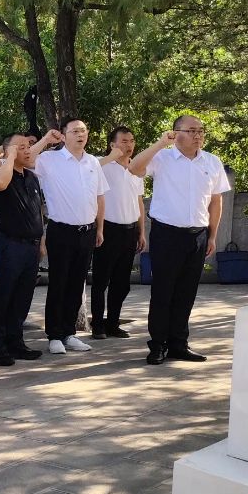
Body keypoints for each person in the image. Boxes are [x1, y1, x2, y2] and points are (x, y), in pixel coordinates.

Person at [128, 116, 231, 364]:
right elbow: (134, 168)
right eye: (192, 130)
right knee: (163, 291)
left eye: (201, 130)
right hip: (167, 234)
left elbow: (216, 201)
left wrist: (212, 235)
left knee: (187, 292)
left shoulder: (212, 161)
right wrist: (160, 143)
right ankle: (158, 344)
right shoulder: (162, 157)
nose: (198, 135)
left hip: (198, 235)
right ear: (176, 133)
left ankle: (178, 343)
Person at [31, 119, 108, 354]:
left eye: (83, 130)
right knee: (59, 283)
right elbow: (25, 159)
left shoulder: (93, 162)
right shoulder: (49, 159)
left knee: (76, 284)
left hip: (87, 231)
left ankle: (68, 332)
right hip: (61, 231)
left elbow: (100, 196)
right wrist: (45, 140)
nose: (80, 134)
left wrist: (100, 228)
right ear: (63, 136)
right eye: (74, 131)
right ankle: (54, 335)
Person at [0, 134, 46, 366]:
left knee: (22, 297)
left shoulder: (31, 177)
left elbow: (38, 211)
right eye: (21, 147)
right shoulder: (1, 175)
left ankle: (16, 342)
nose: (28, 150)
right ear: (8, 151)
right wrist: (9, 156)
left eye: (28, 146)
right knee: (3, 296)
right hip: (9, 245)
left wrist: (41, 240)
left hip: (31, 247)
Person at [93, 127, 146, 340]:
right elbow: (87, 169)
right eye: (124, 141)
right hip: (108, 229)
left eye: (131, 141)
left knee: (122, 283)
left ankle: (113, 323)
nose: (129, 145)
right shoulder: (103, 165)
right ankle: (97, 324)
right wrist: (111, 157)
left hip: (130, 230)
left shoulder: (136, 168)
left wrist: (142, 232)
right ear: (112, 144)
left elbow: (139, 202)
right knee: (101, 280)